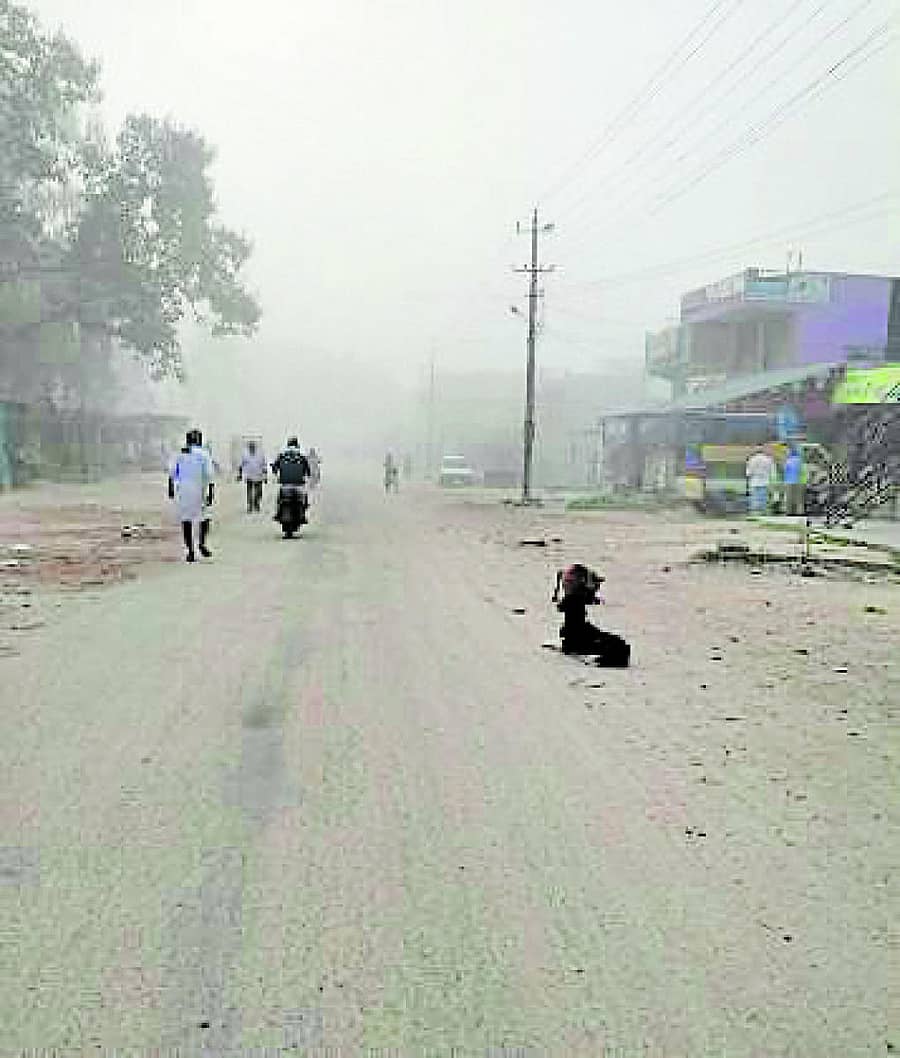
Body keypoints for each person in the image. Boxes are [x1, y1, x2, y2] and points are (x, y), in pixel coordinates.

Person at [552, 564, 630, 666]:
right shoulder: (574, 602)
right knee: (618, 645)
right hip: (579, 640)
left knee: (618, 645)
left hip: (578, 637)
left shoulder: (573, 601)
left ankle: (602, 657)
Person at [168, 428, 215, 562]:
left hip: (183, 491)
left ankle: (190, 550)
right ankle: (201, 543)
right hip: (200, 490)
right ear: (199, 440)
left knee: (186, 520)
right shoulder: (204, 454)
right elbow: (210, 476)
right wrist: (211, 493)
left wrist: (171, 489)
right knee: (204, 518)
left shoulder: (180, 454)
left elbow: (172, 473)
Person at [238, 439, 267, 512]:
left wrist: (265, 476)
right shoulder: (245, 454)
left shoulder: (260, 453)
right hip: (249, 475)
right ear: (248, 447)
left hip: (259, 475)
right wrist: (240, 475)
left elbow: (264, 465)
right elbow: (241, 465)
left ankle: (256, 504)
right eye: (250, 447)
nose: (251, 448)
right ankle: (250, 506)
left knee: (259, 492)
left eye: (253, 446)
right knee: (250, 491)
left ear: (255, 447)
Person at [745, 446, 775, 515]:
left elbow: (748, 473)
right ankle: (763, 513)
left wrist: (748, 478)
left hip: (754, 481)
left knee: (754, 498)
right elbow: (772, 472)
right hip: (765, 481)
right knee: (763, 498)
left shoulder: (752, 459)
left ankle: (754, 513)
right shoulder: (768, 459)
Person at [783, 446, 805, 517]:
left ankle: (789, 512)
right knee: (799, 499)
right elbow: (802, 471)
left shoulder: (788, 461)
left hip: (789, 481)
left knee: (789, 498)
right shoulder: (800, 461)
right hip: (800, 482)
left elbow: (785, 470)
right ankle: (800, 512)